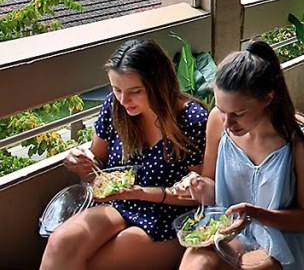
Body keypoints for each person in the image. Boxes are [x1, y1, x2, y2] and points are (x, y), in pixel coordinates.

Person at [175, 41, 304, 270]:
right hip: (232, 230)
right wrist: (197, 185)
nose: (228, 123)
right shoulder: (217, 120)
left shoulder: (302, 140)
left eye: (238, 114)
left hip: (284, 237)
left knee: (252, 266)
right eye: (222, 110)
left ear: (268, 98)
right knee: (195, 262)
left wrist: (254, 214)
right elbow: (212, 185)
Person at [41, 40, 209, 270]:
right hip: (121, 204)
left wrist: (142, 193)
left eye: (135, 92)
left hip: (170, 216)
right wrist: (82, 162)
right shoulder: (115, 107)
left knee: (96, 263)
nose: (123, 100)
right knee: (60, 242)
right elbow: (97, 160)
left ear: (160, 85)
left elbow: (198, 193)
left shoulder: (191, 119)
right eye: (116, 89)